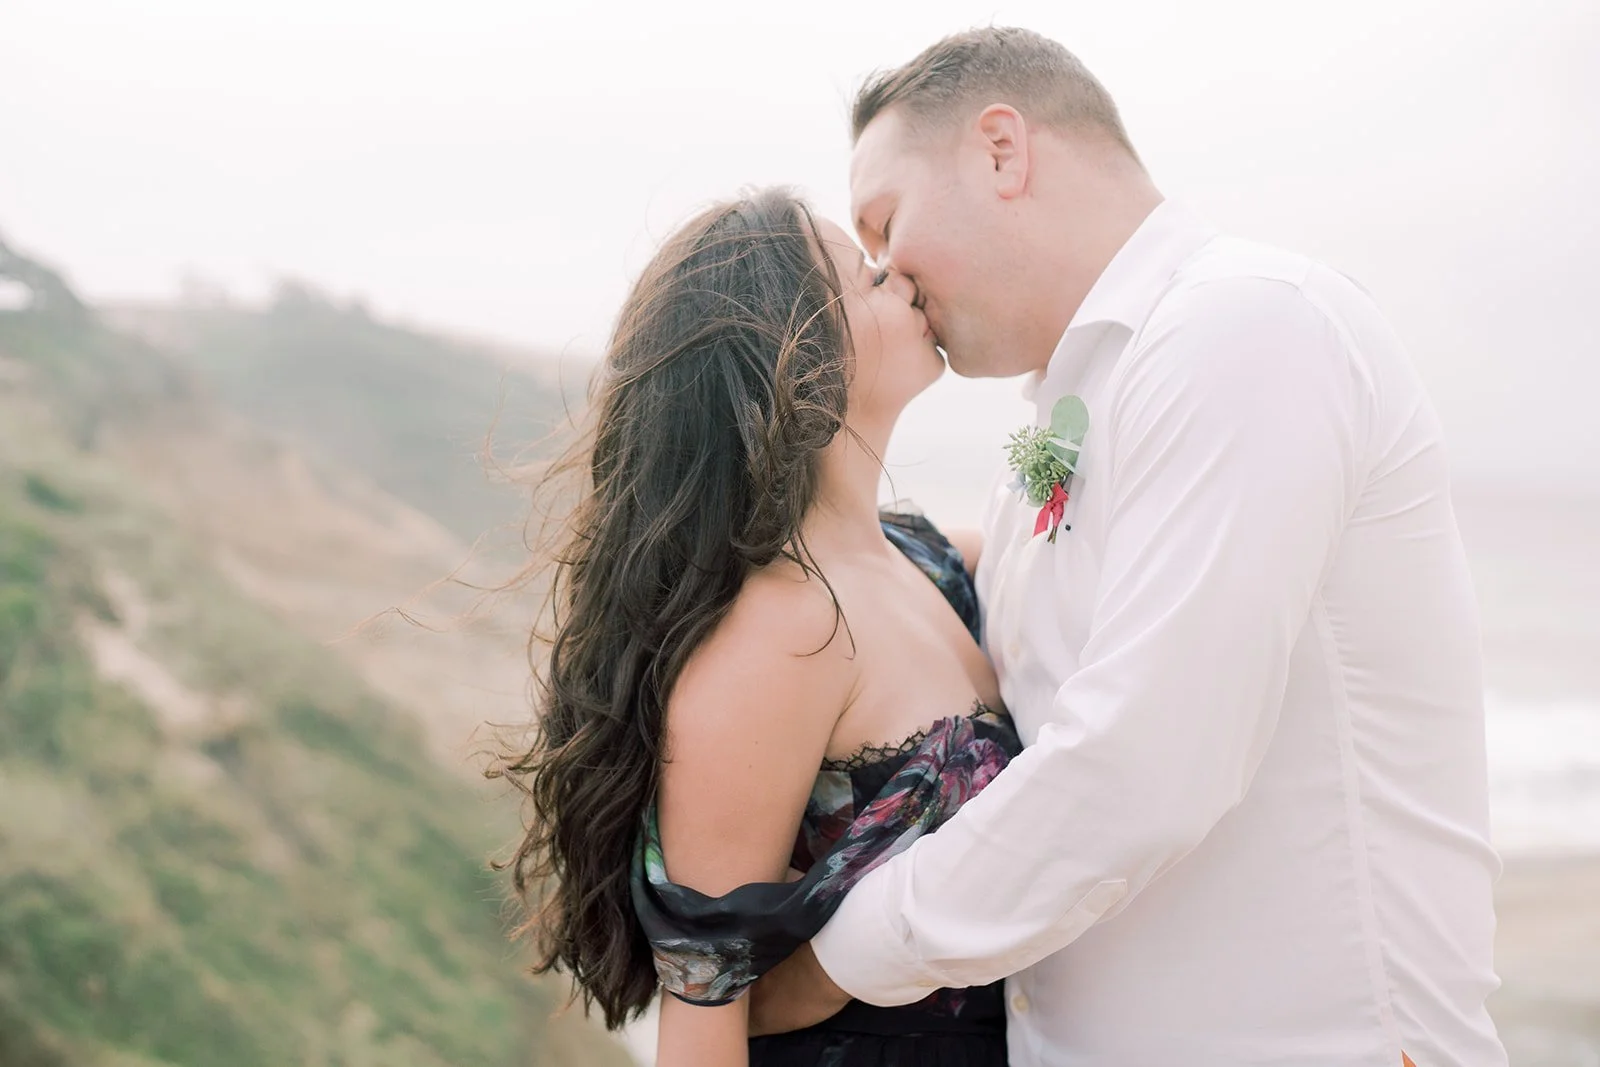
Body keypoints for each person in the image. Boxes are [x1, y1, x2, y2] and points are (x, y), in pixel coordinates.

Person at [749, 27, 1508, 1067]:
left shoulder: (1242, 329)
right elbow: (973, 601)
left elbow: (1142, 761)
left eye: (886, 223)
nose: (890, 273)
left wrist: (836, 964)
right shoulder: (1080, 398)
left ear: (1001, 150)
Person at [495, 187, 1019, 1066]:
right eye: (869, 278)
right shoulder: (777, 635)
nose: (908, 283)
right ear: (798, 357)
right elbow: (703, 1023)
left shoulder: (923, 558)